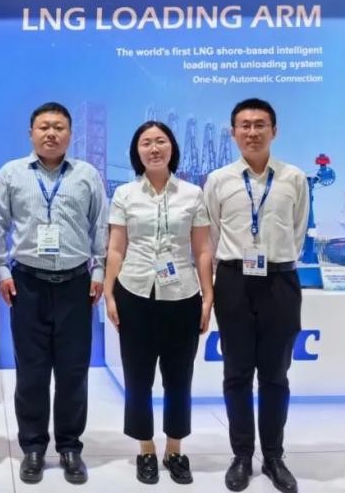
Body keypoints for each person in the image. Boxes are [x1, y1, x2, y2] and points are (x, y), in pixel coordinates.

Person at [0, 102, 108, 485]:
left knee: (74, 371)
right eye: (44, 127)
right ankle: (33, 447)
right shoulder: (11, 173)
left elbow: (100, 226)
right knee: (31, 371)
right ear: (31, 133)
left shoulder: (87, 175)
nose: (51, 133)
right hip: (27, 284)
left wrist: (99, 270)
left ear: (70, 134)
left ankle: (70, 446)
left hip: (76, 286)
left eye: (59, 127)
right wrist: (1, 269)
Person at [203, 98, 308, 493]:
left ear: (274, 131)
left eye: (260, 124)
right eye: (244, 125)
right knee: (236, 373)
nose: (252, 132)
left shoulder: (293, 177)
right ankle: (242, 455)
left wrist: (277, 259)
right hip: (234, 280)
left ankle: (274, 457)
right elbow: (211, 234)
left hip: (280, 281)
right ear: (233, 133)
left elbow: (297, 231)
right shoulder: (219, 180)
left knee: (276, 374)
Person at [103, 121, 214, 485]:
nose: (154, 148)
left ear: (172, 148)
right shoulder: (125, 194)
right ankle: (146, 449)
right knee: (137, 378)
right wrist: (109, 293)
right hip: (134, 292)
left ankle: (175, 450)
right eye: (146, 143)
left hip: (182, 294)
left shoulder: (193, 194)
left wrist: (208, 296)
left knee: (179, 378)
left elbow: (202, 249)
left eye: (160, 141)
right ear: (137, 151)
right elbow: (116, 248)